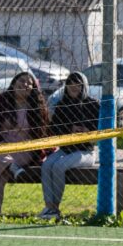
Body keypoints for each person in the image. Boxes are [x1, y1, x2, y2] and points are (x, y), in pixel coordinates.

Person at [0, 71, 50, 216]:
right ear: (14, 83)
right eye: (21, 81)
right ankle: (10, 166)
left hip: (22, 151)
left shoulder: (37, 107)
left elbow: (43, 134)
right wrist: (0, 143)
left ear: (33, 88)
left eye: (29, 83)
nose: (25, 84)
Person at [40, 71, 99, 219]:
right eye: (70, 83)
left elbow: (99, 130)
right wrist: (70, 129)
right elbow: (55, 129)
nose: (73, 86)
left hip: (86, 152)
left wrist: (87, 132)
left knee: (59, 166)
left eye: (77, 83)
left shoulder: (93, 104)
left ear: (83, 86)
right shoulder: (62, 105)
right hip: (66, 150)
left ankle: (55, 208)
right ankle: (49, 207)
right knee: (46, 165)